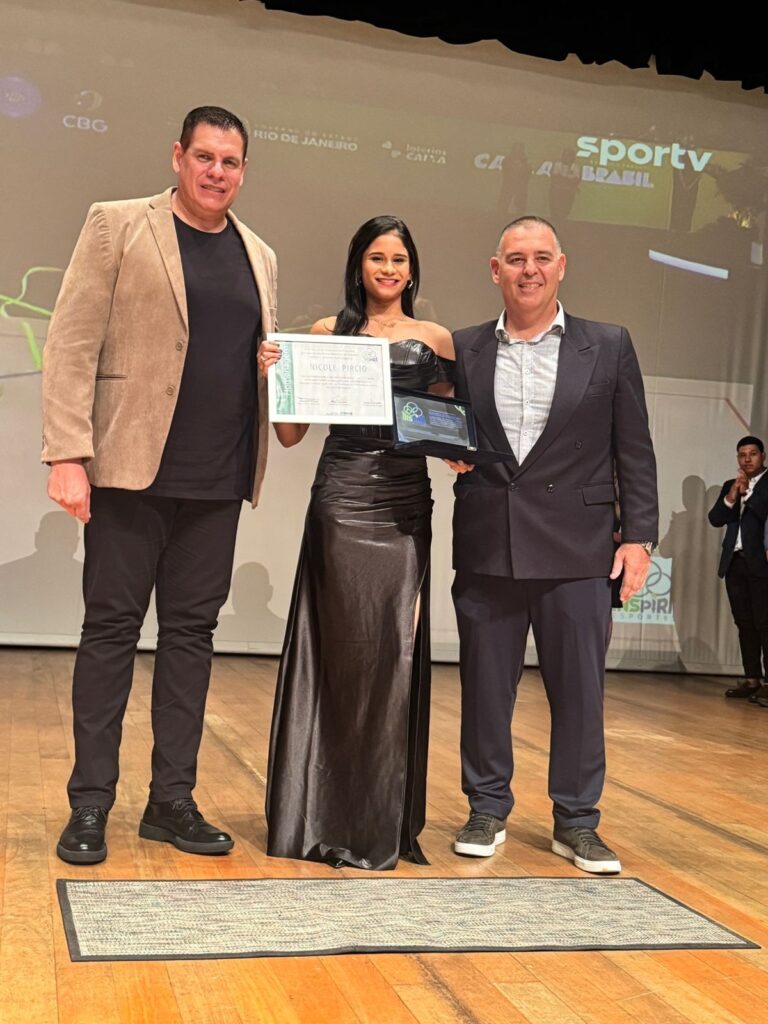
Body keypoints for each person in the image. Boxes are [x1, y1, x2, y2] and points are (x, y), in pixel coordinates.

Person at [42, 106, 278, 864]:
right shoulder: (118, 224)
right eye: (205, 157)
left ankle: (170, 801)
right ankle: (89, 805)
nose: (217, 172)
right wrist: (67, 454)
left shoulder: (260, 254)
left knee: (192, 639)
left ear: (244, 170)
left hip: (217, 480)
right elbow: (72, 340)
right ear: (178, 156)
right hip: (128, 471)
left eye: (231, 162)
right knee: (110, 632)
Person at [447, 215, 658, 874]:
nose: (528, 269)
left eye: (541, 257)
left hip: (579, 548)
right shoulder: (463, 348)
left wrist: (641, 537)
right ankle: (486, 808)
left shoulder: (609, 345)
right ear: (494, 269)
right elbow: (423, 414)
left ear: (561, 265)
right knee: (485, 687)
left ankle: (577, 820)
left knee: (579, 690)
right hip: (490, 545)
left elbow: (635, 450)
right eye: (515, 258)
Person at [259, 216, 453, 870]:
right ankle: (320, 814)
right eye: (378, 257)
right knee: (338, 651)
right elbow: (290, 436)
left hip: (404, 503)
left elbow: (451, 425)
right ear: (359, 265)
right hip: (340, 500)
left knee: (392, 652)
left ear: (411, 267)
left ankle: (378, 820)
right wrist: (274, 376)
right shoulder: (324, 334)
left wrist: (459, 448)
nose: (389, 268)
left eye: (399, 257)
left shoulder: (436, 339)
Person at [708, 436, 768, 702]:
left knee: (765, 623)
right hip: (735, 563)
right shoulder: (731, 486)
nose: (747, 459)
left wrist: (749, 495)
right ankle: (752, 679)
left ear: (762, 456)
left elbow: (761, 511)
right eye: (742, 454)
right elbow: (715, 519)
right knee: (744, 624)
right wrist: (733, 495)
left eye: (752, 454)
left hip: (761, 563)